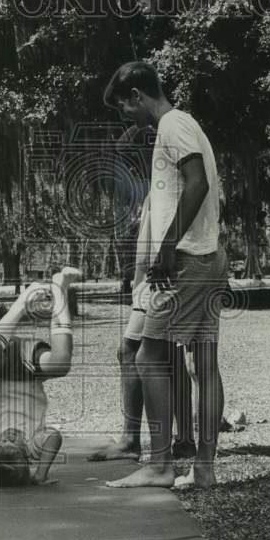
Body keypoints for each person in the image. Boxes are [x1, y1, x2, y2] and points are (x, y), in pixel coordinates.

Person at [102, 61, 226, 488]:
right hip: (208, 256)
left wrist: (169, 246)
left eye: (124, 108)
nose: (127, 118)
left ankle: (158, 464)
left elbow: (197, 184)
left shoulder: (173, 126)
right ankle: (204, 468)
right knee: (205, 364)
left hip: (188, 259)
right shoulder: (187, 125)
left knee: (148, 355)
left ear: (137, 95)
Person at [88, 138, 196, 464]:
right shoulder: (155, 191)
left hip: (166, 275)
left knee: (132, 351)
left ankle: (133, 439)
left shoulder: (170, 187)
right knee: (168, 354)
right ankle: (182, 438)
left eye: (131, 161)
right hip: (152, 279)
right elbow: (145, 240)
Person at [0, 268, 82, 487]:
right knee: (61, 363)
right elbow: (54, 438)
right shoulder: (34, 444)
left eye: (3, 441)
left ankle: (19, 306)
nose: (9, 436)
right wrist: (40, 474)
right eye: (15, 442)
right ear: (26, 456)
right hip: (29, 368)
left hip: (0, 367)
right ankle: (60, 288)